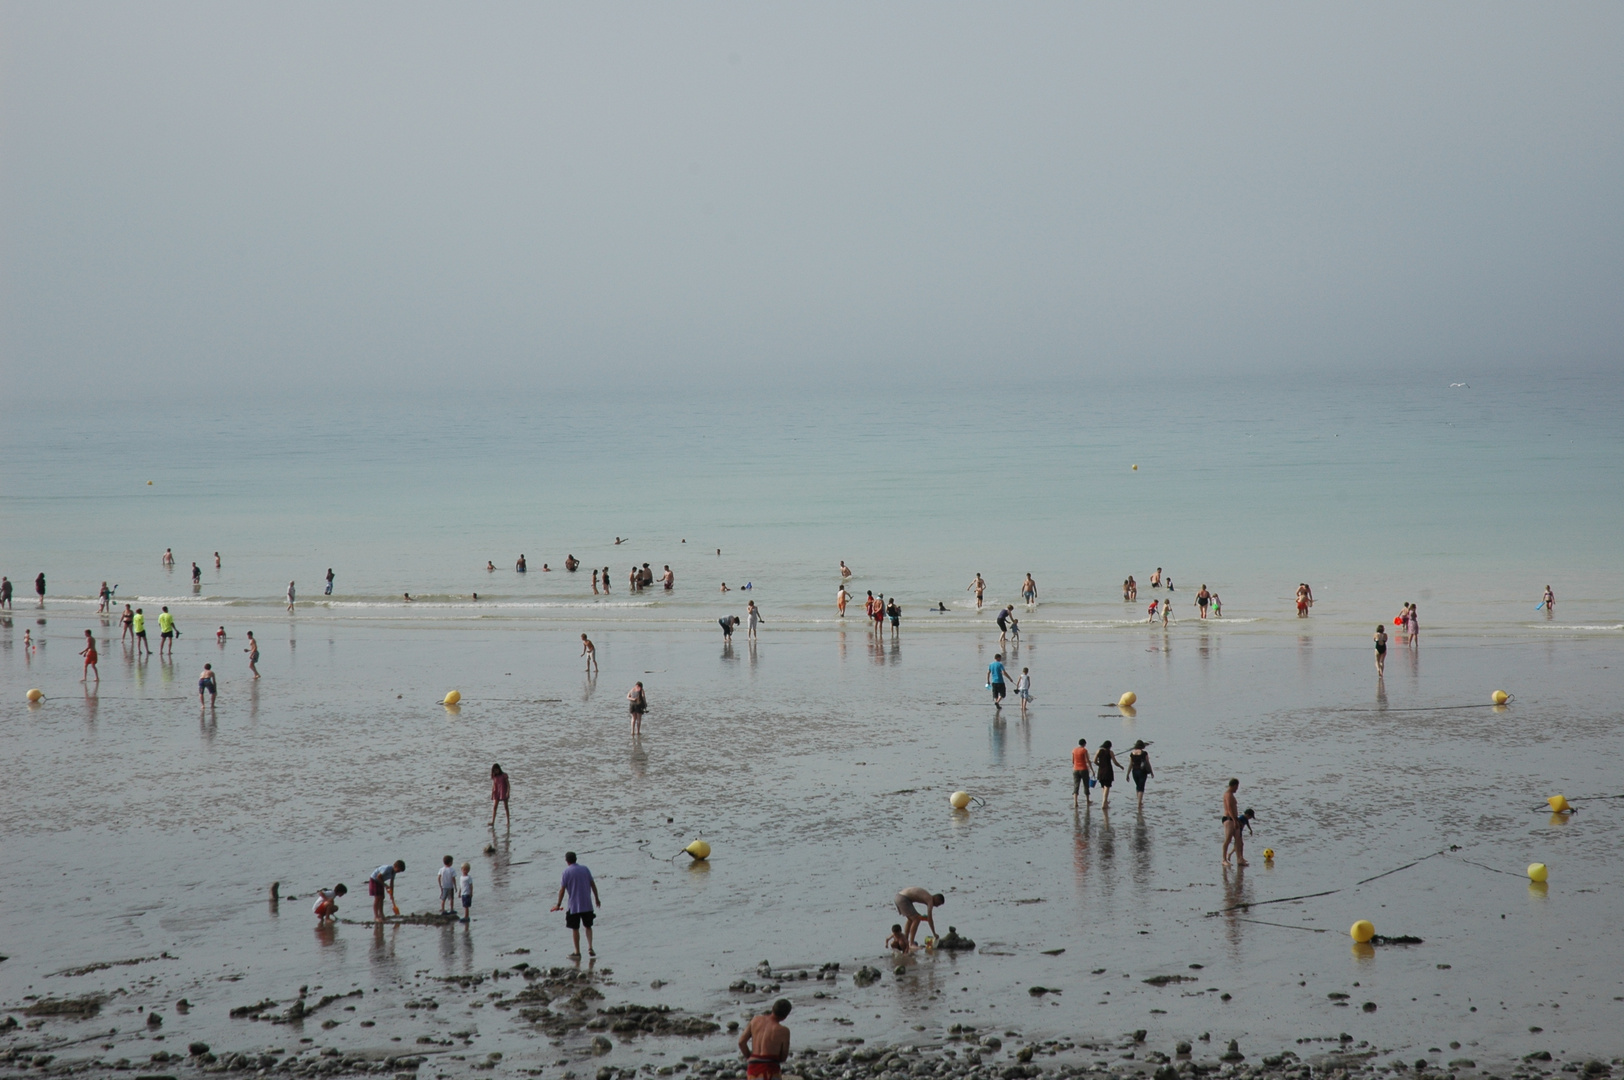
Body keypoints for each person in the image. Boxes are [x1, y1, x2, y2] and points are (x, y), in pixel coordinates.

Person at [550, 851, 601, 959]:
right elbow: (593, 885)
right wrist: (597, 898)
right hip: (587, 904)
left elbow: (562, 890)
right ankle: (590, 947)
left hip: (574, 906)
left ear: (567, 861)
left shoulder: (566, 872)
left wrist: (558, 904)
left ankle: (577, 952)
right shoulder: (585, 869)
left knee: (575, 928)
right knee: (588, 926)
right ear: (576, 859)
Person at [739, 999, 793, 1080]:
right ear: (785, 1016)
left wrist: (749, 1057)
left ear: (772, 1008)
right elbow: (783, 1057)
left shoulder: (755, 1020)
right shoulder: (784, 1031)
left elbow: (741, 1042)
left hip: (753, 1068)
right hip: (770, 1069)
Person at [1221, 779, 1245, 865]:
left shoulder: (1231, 795)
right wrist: (1234, 821)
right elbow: (1229, 809)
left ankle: (1239, 859)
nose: (1237, 789)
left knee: (1238, 840)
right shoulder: (1228, 795)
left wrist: (1238, 820)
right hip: (1228, 819)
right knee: (1228, 839)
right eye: (1237, 787)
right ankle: (1224, 860)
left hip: (1234, 819)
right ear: (1234, 785)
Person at [1094, 740, 1124, 809]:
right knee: (1107, 786)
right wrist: (1120, 766)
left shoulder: (1098, 751)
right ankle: (1104, 802)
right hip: (1108, 771)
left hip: (1101, 771)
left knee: (1103, 786)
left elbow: (1094, 761)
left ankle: (1105, 802)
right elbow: (1115, 762)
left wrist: (1100, 765)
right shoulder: (1110, 752)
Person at [1128, 740, 1154, 808]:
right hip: (1142, 772)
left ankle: (1139, 801)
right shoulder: (1144, 753)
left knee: (1137, 786)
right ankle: (1139, 803)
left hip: (1134, 772)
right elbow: (1148, 763)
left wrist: (1127, 774)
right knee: (1141, 787)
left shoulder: (1132, 754)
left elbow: (1130, 765)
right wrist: (1151, 772)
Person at [1071, 738, 1093, 807]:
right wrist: (1092, 770)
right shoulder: (1084, 750)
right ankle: (1087, 801)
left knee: (1076, 785)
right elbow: (1087, 760)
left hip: (1075, 769)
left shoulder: (1074, 750)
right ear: (1084, 744)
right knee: (1086, 785)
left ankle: (1075, 802)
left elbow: (1073, 761)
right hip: (1084, 769)